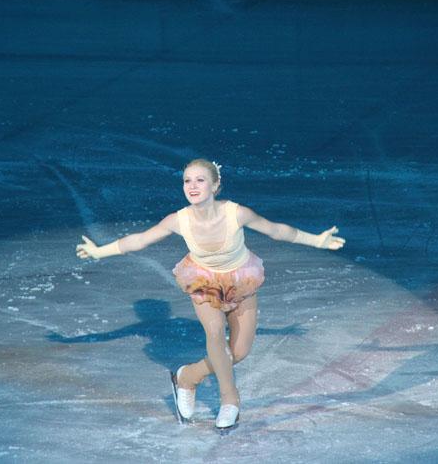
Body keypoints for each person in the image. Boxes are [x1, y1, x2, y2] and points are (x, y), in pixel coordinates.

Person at [76, 158, 345, 429]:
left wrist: (317, 240)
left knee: (237, 352)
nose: (192, 186)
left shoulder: (236, 213)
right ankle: (230, 400)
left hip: (241, 281)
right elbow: (140, 240)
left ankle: (187, 377)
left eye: (200, 180)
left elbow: (276, 230)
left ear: (216, 185)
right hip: (204, 283)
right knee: (214, 332)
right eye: (187, 181)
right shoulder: (178, 220)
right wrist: (100, 251)